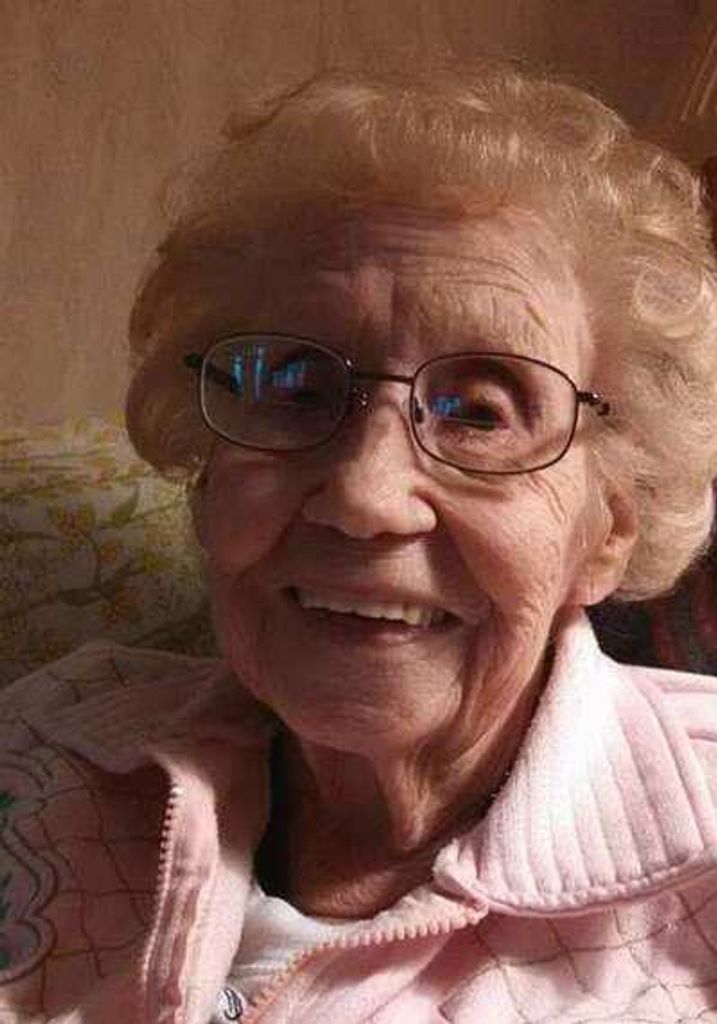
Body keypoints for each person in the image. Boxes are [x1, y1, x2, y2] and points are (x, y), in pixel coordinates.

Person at [2, 61, 717, 1023]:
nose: (363, 497)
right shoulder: (49, 740)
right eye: (294, 388)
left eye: (480, 412)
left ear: (610, 526)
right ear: (208, 472)